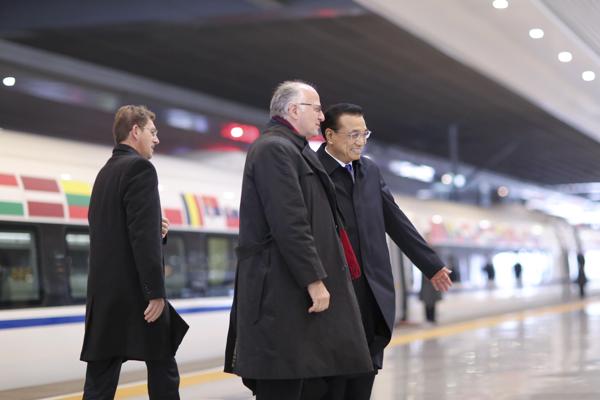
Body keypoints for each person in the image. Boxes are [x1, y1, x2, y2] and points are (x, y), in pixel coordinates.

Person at [224, 82, 373, 400]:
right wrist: (314, 279)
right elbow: (289, 222)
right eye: (316, 108)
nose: (322, 116)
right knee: (282, 385)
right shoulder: (274, 149)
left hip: (290, 294)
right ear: (294, 110)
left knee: (304, 383)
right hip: (281, 293)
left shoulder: (294, 150)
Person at [317, 103, 452, 399]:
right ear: (329, 135)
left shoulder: (369, 171)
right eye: (353, 134)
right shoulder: (312, 172)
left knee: (366, 372)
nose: (360, 141)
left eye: (364, 133)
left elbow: (395, 219)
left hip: (372, 291)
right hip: (336, 293)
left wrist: (431, 265)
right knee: (335, 380)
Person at [80, 105, 189, 399]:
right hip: (136, 296)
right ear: (135, 131)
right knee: (163, 366)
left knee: (100, 378)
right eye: (152, 132)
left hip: (104, 296)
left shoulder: (105, 173)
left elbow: (115, 230)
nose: (156, 139)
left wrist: (156, 230)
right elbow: (141, 238)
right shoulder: (140, 169)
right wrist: (155, 292)